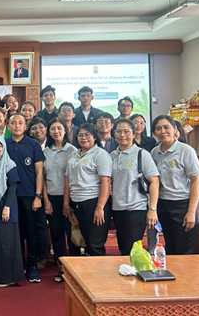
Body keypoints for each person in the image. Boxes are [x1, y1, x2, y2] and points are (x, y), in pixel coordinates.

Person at [151, 115, 199, 255]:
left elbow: (196, 181)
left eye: (166, 127)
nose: (163, 131)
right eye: (158, 128)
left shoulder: (186, 150)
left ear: (174, 129)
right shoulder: (155, 152)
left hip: (184, 204)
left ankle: (188, 277)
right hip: (164, 205)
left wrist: (191, 212)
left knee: (185, 249)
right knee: (171, 246)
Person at [6, 113, 46, 283]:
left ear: (25, 126)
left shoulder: (33, 144)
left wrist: (38, 196)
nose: (17, 126)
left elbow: (39, 172)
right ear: (8, 126)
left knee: (31, 232)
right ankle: (18, 265)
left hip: (29, 195)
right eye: (13, 123)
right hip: (8, 197)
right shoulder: (3, 144)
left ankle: (32, 266)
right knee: (14, 233)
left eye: (20, 123)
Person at [111, 119, 160, 256]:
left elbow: (154, 181)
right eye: (119, 131)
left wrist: (152, 209)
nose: (122, 135)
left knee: (133, 248)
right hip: (117, 207)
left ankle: (136, 273)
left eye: (126, 132)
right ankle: (128, 273)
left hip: (136, 208)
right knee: (123, 246)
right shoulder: (112, 156)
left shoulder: (142, 154)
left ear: (133, 134)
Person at [65, 124, 112, 256]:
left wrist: (100, 207)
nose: (83, 138)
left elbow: (106, 181)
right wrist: (66, 204)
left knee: (94, 243)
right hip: (76, 202)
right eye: (80, 135)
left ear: (94, 137)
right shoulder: (73, 154)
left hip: (93, 202)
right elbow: (68, 180)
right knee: (80, 240)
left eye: (87, 135)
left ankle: (98, 275)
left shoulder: (100, 154)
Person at [42, 118, 78, 282]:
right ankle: (61, 267)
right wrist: (46, 200)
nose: (56, 131)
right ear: (49, 132)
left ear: (65, 131)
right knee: (56, 234)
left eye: (59, 128)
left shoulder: (73, 151)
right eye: (53, 128)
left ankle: (75, 268)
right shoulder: (45, 151)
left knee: (71, 233)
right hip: (52, 197)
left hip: (70, 198)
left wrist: (67, 203)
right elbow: (41, 177)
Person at [0, 135, 24, 288]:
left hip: (6, 208)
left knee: (6, 243)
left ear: (4, 147)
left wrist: (6, 207)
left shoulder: (10, 164)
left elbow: (13, 186)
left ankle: (8, 277)